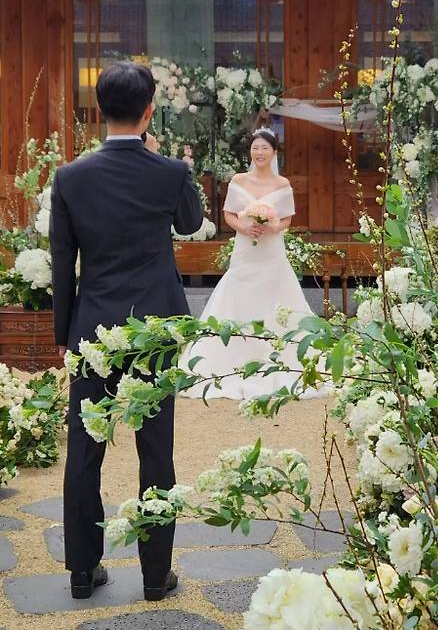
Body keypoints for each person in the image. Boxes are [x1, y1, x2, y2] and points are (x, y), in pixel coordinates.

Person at [49, 61, 203, 602]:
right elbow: (189, 223)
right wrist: (169, 161)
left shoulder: (70, 177)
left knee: (85, 449)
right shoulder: (168, 173)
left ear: (97, 111)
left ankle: (81, 572)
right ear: (148, 111)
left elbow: (63, 261)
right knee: (156, 451)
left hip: (93, 327)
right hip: (156, 328)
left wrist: (63, 337)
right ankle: (156, 576)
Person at [180, 128, 321, 399]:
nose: (259, 153)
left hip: (271, 249)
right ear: (251, 152)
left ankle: (279, 356)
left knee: (277, 295)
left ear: (274, 153)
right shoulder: (238, 181)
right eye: (255, 148)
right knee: (238, 291)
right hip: (246, 249)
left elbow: (288, 218)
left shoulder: (282, 185)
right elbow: (229, 214)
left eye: (265, 148)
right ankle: (232, 356)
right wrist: (244, 228)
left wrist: (273, 226)